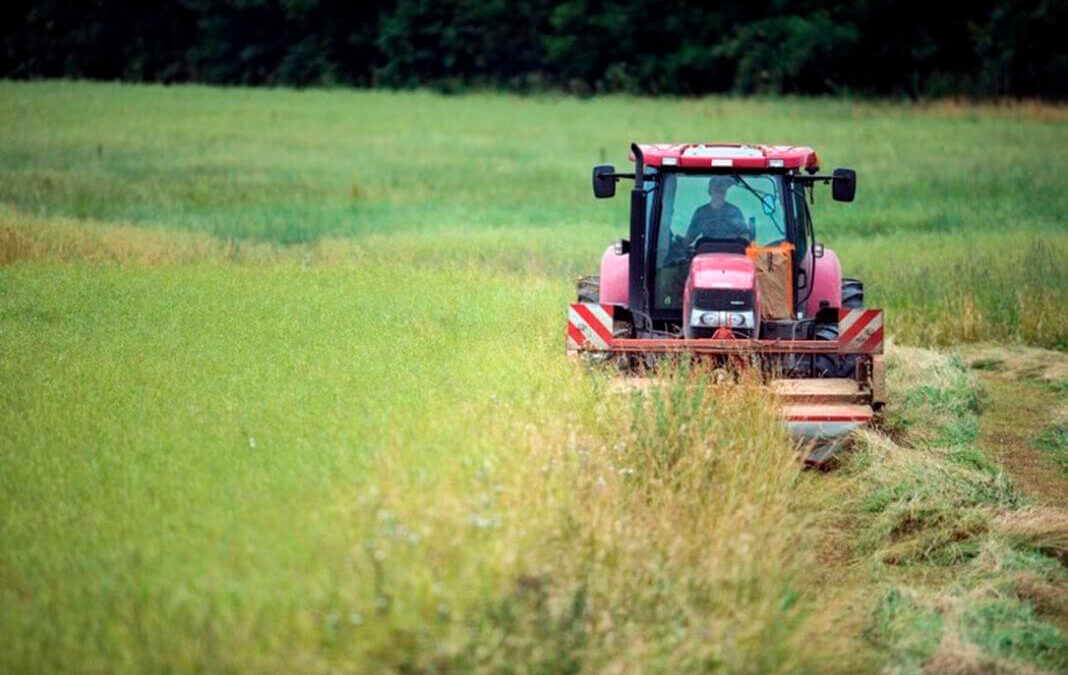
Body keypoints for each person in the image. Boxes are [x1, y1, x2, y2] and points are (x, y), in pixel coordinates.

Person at [686, 176, 747, 243]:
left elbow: (744, 236)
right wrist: (681, 244)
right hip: (707, 251)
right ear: (710, 192)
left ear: (725, 192)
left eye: (722, 191)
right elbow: (689, 237)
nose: (719, 194)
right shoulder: (701, 213)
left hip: (730, 250)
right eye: (716, 191)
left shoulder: (734, 212)